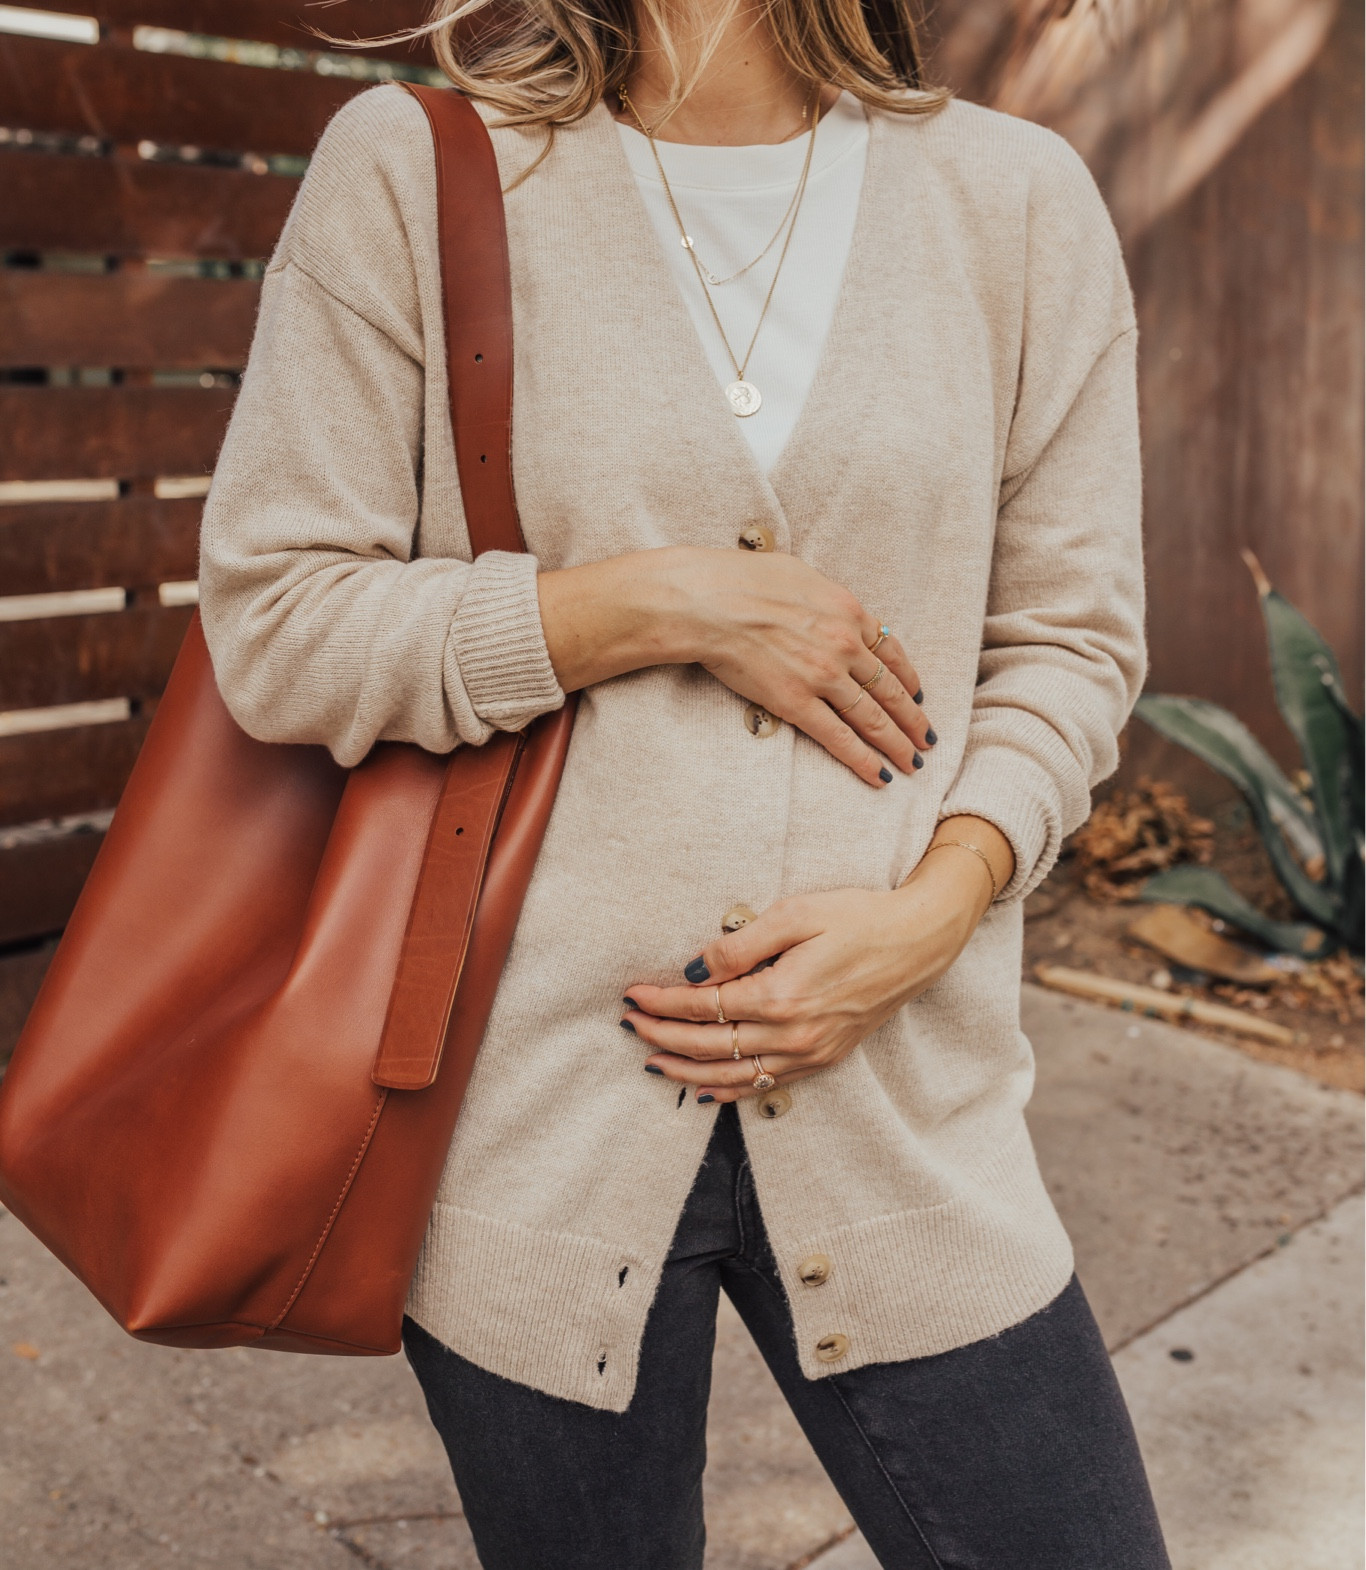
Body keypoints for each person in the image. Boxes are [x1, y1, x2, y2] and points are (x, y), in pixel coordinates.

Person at [198, 0, 1168, 1561]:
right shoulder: (420, 170)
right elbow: (279, 622)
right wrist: (656, 604)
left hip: (909, 1101)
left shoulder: (1015, 200)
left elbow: (1068, 642)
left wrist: (932, 911)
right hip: (528, 1120)